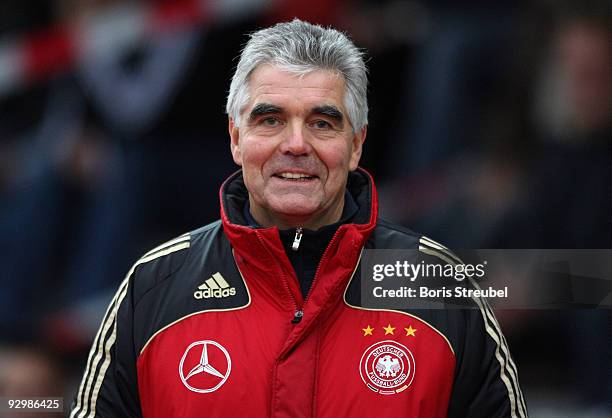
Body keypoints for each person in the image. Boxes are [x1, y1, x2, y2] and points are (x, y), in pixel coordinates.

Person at [70, 19, 526, 418]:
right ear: (235, 137)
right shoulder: (154, 286)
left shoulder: (439, 286)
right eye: (270, 120)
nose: (296, 144)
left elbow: (588, 285)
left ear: (357, 145)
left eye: (322, 123)